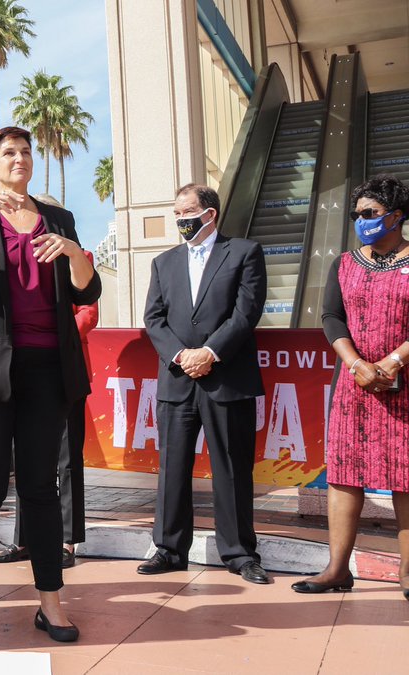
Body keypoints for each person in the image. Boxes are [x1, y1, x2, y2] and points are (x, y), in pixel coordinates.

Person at [0, 127, 100, 643]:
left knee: (40, 488)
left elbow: (87, 289)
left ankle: (51, 603)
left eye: (27, 152)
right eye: (9, 152)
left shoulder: (58, 219)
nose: (20, 159)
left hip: (48, 369)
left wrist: (74, 252)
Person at [141, 183, 269, 583]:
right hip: (177, 379)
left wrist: (209, 353)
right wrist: (181, 355)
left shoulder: (245, 253)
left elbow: (245, 314)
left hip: (226, 378)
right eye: (176, 213)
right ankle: (168, 548)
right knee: (172, 468)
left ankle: (239, 553)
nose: (181, 219)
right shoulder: (164, 263)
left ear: (210, 213)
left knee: (231, 467)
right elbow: (154, 318)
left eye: (187, 212)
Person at [295, 174, 409, 599]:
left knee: (405, 475)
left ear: (396, 216)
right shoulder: (344, 263)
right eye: (357, 214)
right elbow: (331, 317)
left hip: (404, 384)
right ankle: (337, 569)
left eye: (371, 214)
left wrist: (393, 361)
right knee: (345, 474)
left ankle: (407, 574)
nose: (361, 221)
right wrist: (357, 363)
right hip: (353, 384)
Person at [0, 196, 98, 569]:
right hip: (23, 366)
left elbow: (88, 311)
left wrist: (58, 327)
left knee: (67, 458)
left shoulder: (77, 254)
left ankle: (68, 540)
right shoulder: (14, 250)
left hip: (63, 368)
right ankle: (25, 538)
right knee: (28, 461)